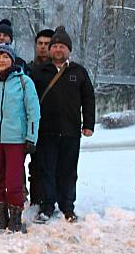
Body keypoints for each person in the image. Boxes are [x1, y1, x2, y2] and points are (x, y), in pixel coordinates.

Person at [31, 26, 95, 224]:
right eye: (55, 46)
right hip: (46, 131)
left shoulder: (79, 72)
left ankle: (67, 206)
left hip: (71, 130)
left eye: (62, 46)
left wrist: (89, 124)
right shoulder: (39, 72)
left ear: (69, 50)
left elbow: (89, 99)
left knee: (68, 171)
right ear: (50, 50)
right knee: (46, 170)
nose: (58, 50)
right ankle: (47, 206)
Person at [0, 44, 40, 232]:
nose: (1, 60)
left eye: (5, 57)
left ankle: (16, 217)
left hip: (15, 139)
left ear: (12, 59)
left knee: (13, 180)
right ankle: (1, 215)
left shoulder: (23, 82)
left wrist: (31, 137)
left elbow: (33, 112)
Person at [25, 28, 55, 204]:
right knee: (34, 165)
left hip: (51, 124)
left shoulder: (60, 70)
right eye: (40, 44)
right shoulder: (28, 69)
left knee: (49, 165)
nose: (43, 47)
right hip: (30, 124)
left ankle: (49, 199)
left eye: (47, 44)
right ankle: (35, 199)